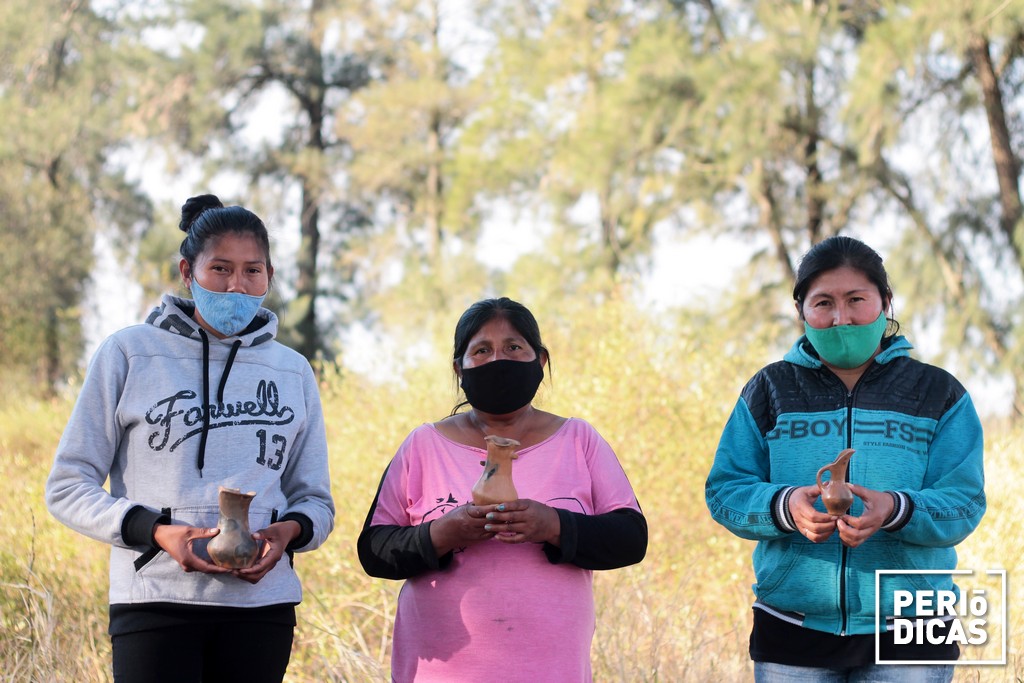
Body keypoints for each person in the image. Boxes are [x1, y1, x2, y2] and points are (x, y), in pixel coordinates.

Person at [45, 194, 335, 683]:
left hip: (262, 609)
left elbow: (316, 501)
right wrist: (157, 532)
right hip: (155, 603)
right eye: (220, 269)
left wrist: (288, 534)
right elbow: (67, 486)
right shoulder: (130, 354)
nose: (237, 286)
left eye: (252, 271)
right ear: (187, 271)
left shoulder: (293, 371)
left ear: (270, 276)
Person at [705, 236, 986, 682]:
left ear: (886, 302)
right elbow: (725, 490)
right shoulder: (770, 389)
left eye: (857, 299)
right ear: (802, 312)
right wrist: (785, 505)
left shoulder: (939, 393)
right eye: (823, 303)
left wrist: (896, 510)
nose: (841, 318)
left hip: (912, 624)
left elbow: (965, 503)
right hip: (791, 622)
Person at [358, 297, 648, 682]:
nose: (499, 360)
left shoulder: (579, 440)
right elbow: (374, 551)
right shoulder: (423, 446)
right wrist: (443, 533)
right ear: (459, 368)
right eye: (482, 350)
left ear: (539, 361)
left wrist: (554, 526)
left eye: (513, 347)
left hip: (552, 671)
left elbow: (631, 537)